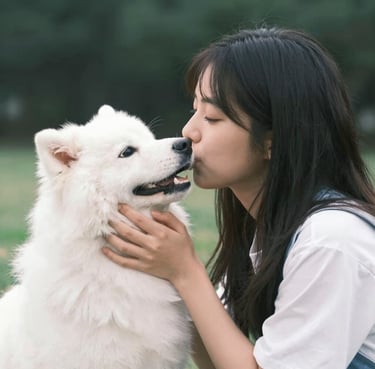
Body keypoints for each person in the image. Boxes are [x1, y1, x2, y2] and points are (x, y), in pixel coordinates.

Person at [102, 26, 375, 369]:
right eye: (195, 109)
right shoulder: (269, 226)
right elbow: (220, 361)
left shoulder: (330, 242)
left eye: (213, 117)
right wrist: (169, 275)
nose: (189, 131)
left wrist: (186, 272)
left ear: (272, 140)